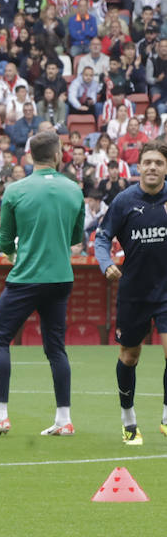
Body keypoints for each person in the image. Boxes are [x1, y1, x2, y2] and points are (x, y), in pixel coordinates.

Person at [0, 132, 85, 438]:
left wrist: (18, 254)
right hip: (61, 278)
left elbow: (4, 239)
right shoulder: (74, 189)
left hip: (27, 276)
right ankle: (64, 419)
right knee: (56, 348)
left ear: (29, 156)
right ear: (58, 155)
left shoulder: (15, 189)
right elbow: (75, 238)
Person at [95, 142, 167, 444]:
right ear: (138, 166)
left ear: (165, 168)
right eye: (147, 162)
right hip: (134, 293)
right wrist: (106, 262)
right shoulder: (124, 201)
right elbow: (101, 238)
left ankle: (166, 416)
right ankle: (129, 421)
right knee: (129, 357)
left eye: (159, 163)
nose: (152, 167)